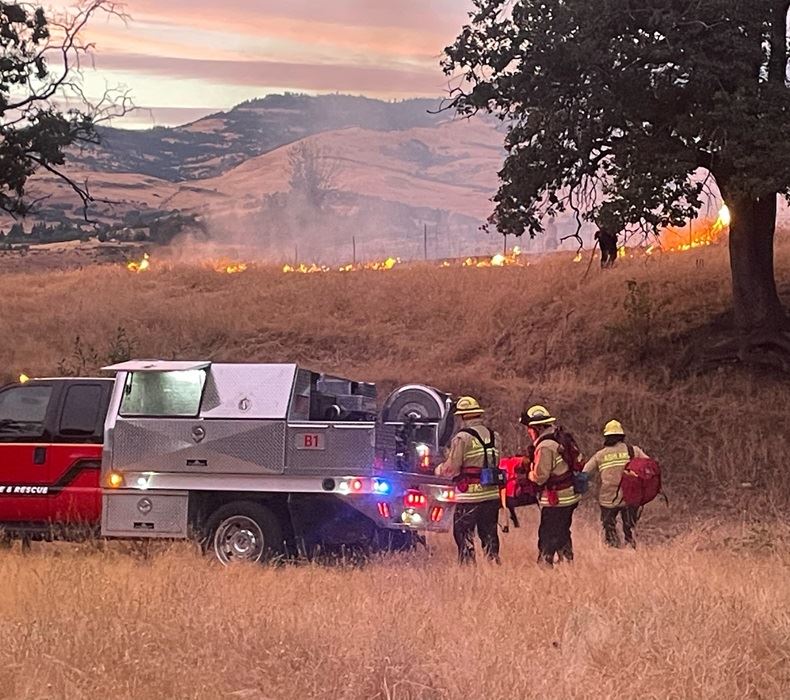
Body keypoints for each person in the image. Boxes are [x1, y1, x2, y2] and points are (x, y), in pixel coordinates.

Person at [435, 396, 501, 564]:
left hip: (470, 496)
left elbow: (452, 468)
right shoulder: (495, 436)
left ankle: (467, 566)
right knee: (489, 533)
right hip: (492, 495)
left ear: (463, 417)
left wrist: (438, 470)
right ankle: (493, 564)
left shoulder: (462, 438)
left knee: (463, 533)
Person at [521, 405, 581, 566]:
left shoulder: (545, 446)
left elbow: (540, 477)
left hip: (556, 498)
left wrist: (527, 473)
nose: (529, 432)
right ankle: (568, 562)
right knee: (562, 531)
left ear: (537, 428)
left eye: (530, 429)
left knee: (547, 533)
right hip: (570, 495)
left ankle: (544, 564)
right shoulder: (560, 436)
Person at [583, 420, 650, 548]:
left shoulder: (600, 455)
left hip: (608, 499)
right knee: (630, 527)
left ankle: (613, 549)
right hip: (630, 497)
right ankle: (631, 548)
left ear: (606, 437)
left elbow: (585, 472)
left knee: (609, 527)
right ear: (622, 436)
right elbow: (649, 466)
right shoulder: (633, 450)